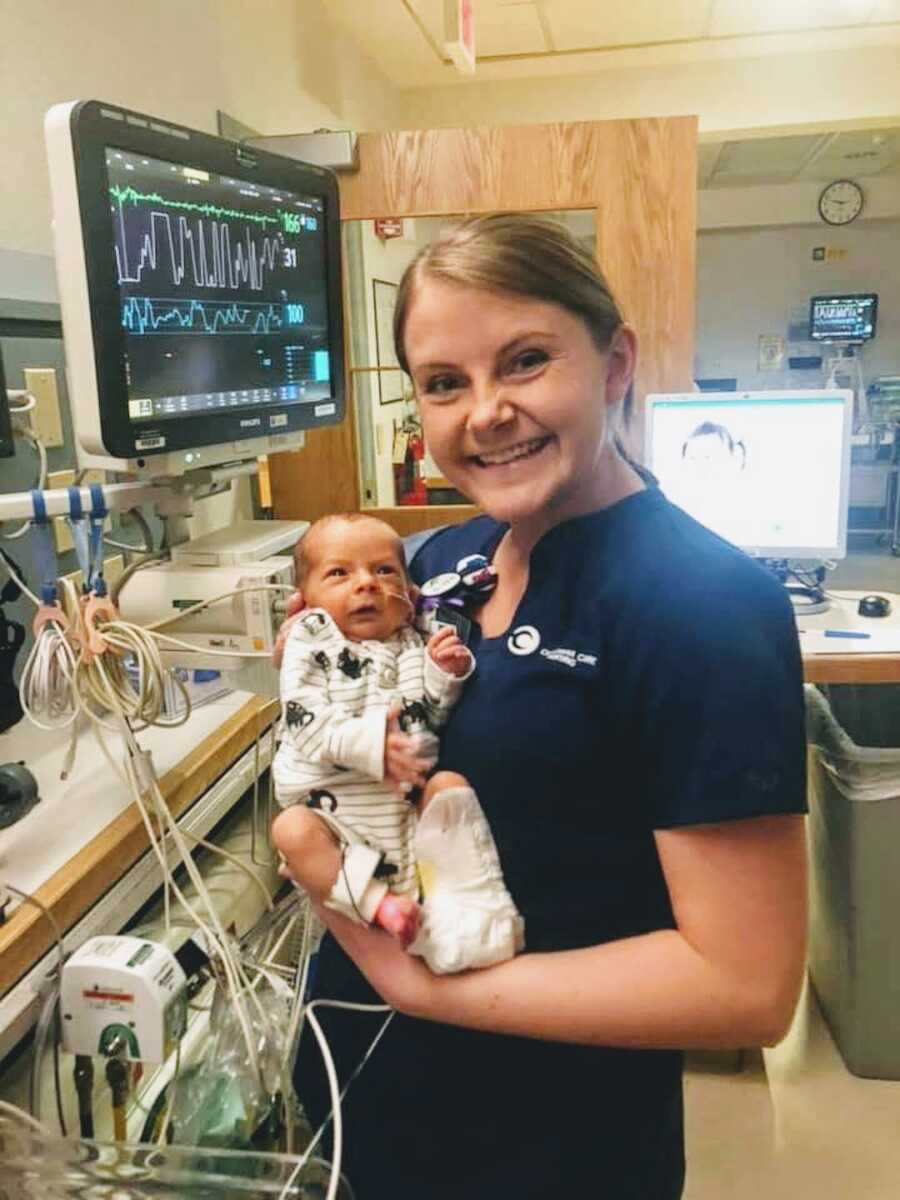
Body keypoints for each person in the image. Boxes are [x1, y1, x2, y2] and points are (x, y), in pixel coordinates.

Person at [275, 214, 808, 1200]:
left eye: (524, 362)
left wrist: (416, 988)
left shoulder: (700, 604)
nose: (485, 412)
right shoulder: (440, 565)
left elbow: (745, 985)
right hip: (372, 1117)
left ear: (613, 367)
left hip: (547, 1151)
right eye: (444, 383)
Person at [271, 512, 524, 973]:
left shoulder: (412, 643)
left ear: (409, 596)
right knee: (290, 831)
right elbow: (303, 720)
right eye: (339, 573)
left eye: (384, 570)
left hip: (399, 808)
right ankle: (379, 903)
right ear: (305, 600)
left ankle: (467, 903)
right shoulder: (312, 639)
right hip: (333, 809)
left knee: (448, 785)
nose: (366, 584)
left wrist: (443, 674)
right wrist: (374, 746)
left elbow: (430, 717)